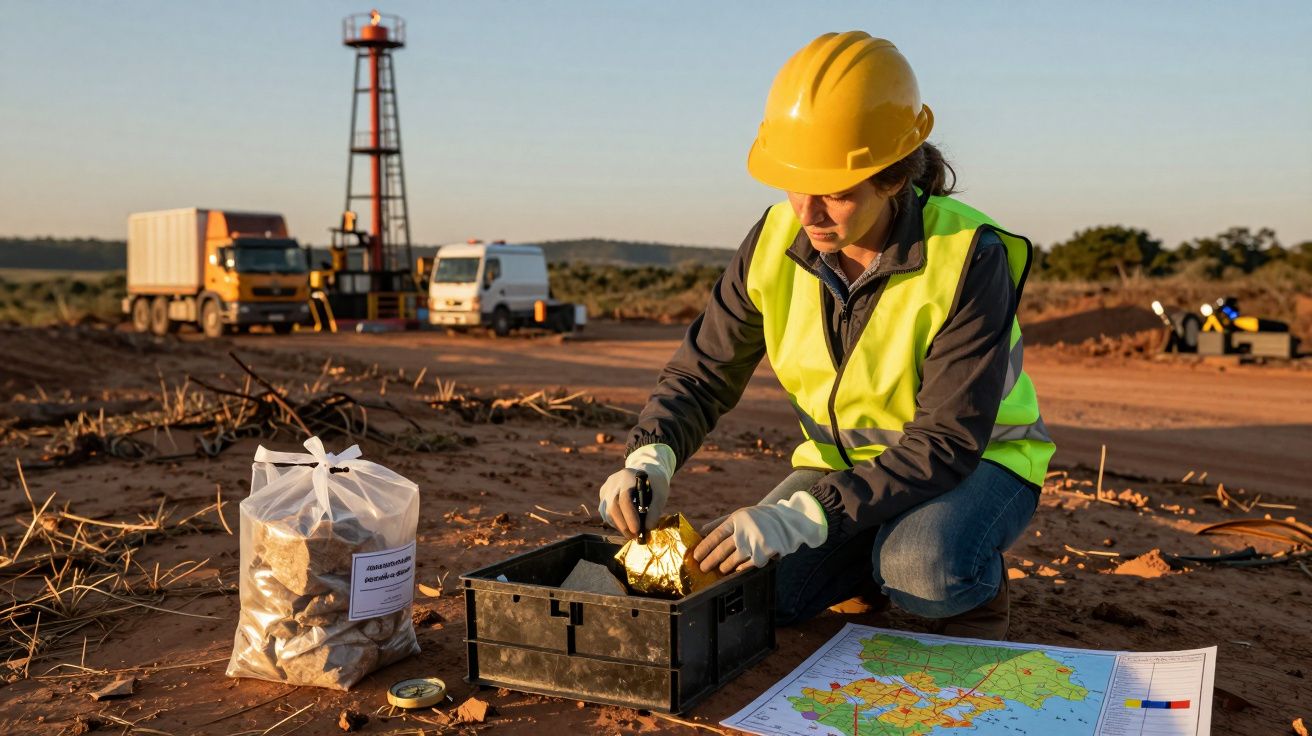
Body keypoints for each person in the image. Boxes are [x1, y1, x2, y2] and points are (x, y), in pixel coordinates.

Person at [597, 31, 1054, 640]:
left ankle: (967, 593)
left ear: (893, 178)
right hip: (847, 469)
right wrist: (649, 455)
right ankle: (862, 569)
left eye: (835, 193)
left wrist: (812, 514)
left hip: (977, 466)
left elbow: (945, 442)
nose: (808, 214)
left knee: (922, 567)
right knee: (764, 594)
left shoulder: (970, 256)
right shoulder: (775, 240)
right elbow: (703, 373)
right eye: (796, 185)